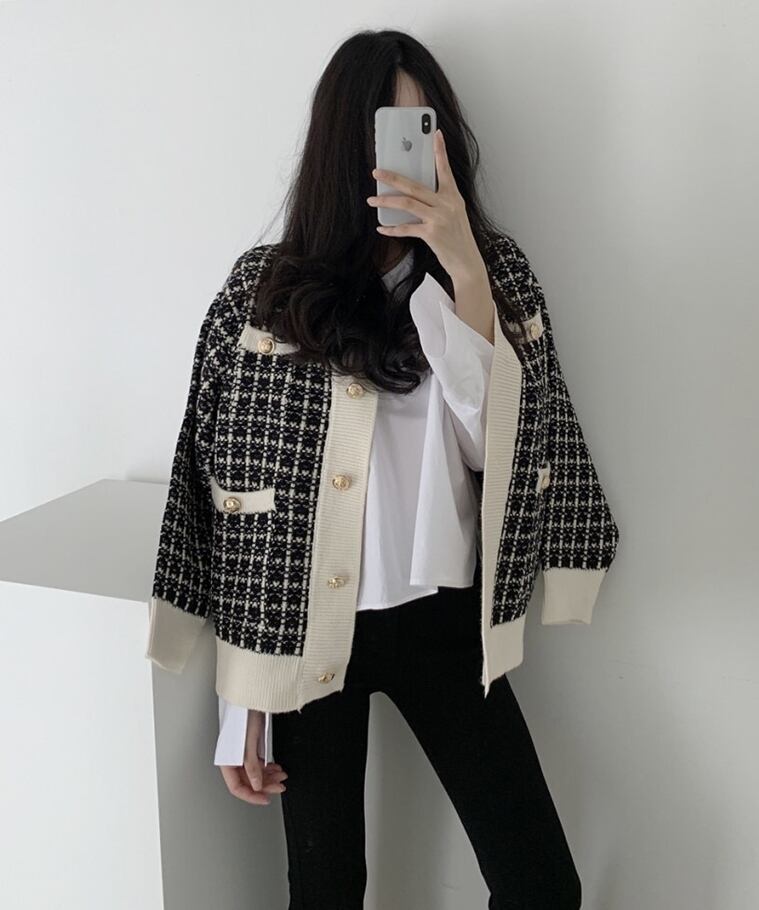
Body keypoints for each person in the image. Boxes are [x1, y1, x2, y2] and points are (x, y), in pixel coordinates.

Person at [145, 27, 620, 910]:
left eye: (421, 129)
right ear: (342, 147)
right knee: (325, 890)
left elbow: (508, 452)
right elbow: (230, 495)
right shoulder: (266, 291)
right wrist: (243, 700)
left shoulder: (493, 276)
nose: (407, 159)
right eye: (385, 133)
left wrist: (464, 270)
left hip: (443, 619)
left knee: (541, 885)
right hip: (307, 631)